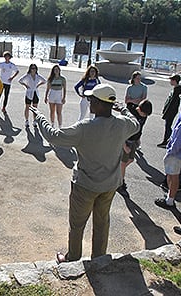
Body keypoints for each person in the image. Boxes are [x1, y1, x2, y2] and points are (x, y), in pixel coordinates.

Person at [30, 83, 140, 262]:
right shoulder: (122, 124)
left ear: (98, 103)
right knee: (102, 222)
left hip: (85, 186)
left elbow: (53, 136)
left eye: (91, 99)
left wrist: (40, 117)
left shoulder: (85, 127)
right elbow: (136, 124)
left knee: (77, 223)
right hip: (110, 185)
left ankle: (73, 257)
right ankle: (99, 257)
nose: (89, 102)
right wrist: (124, 110)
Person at [118, 99, 153, 195]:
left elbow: (140, 128)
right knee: (123, 163)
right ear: (140, 110)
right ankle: (120, 184)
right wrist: (124, 146)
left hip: (133, 140)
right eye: (144, 114)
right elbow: (120, 132)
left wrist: (138, 139)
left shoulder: (144, 115)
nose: (145, 117)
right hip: (126, 141)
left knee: (130, 160)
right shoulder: (130, 114)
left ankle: (117, 173)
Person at [158, 74, 181, 148]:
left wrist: (166, 112)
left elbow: (172, 103)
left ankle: (167, 140)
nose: (170, 81)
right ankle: (168, 140)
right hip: (170, 110)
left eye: (171, 80)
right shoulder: (175, 89)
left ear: (175, 81)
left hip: (171, 111)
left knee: (168, 126)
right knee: (168, 126)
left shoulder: (177, 90)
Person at [18, 63, 46, 128]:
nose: (33, 70)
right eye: (32, 68)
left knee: (35, 108)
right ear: (30, 69)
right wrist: (25, 85)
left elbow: (44, 81)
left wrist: (38, 85)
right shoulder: (28, 76)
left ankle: (34, 121)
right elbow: (20, 80)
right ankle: (27, 120)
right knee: (27, 107)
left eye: (34, 68)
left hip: (35, 92)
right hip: (29, 92)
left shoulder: (38, 76)